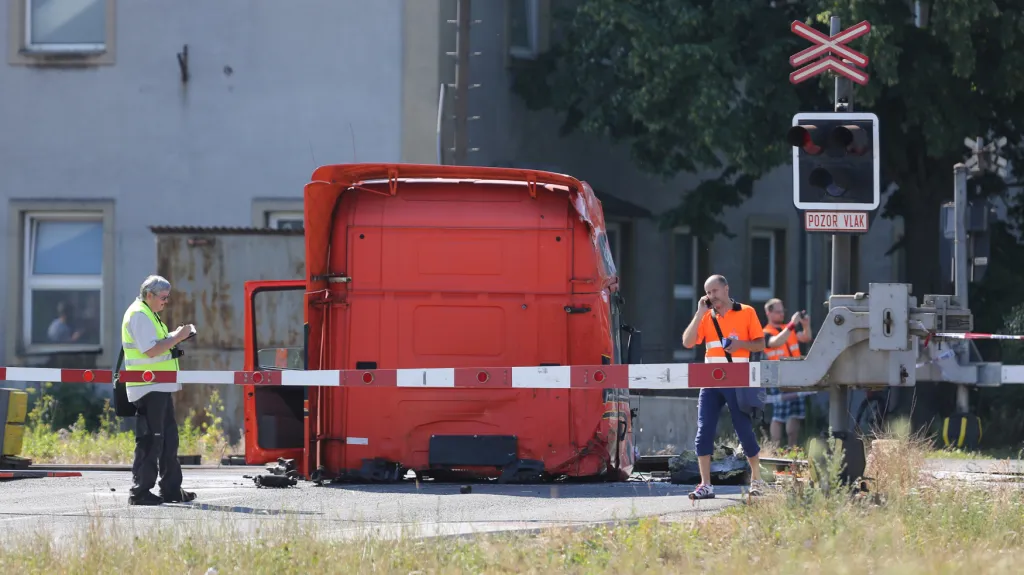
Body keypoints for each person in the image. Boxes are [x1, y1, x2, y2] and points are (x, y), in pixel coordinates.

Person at [681, 274, 769, 499]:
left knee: (744, 430)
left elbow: (760, 343)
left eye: (715, 291)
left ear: (726, 289)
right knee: (704, 431)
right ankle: (705, 484)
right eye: (708, 292)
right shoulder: (705, 316)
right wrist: (699, 313)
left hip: (737, 381)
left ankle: (757, 480)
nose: (712, 296)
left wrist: (740, 345)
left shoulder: (747, 312)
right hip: (710, 383)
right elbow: (687, 342)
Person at [122, 275, 197, 506]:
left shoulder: (148, 314)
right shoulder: (139, 314)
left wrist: (173, 336)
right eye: (163, 297)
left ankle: (171, 489)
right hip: (148, 387)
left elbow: (157, 345)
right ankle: (140, 492)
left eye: (167, 297)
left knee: (168, 440)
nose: (166, 301)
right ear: (149, 295)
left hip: (159, 386)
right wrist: (178, 337)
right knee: (151, 440)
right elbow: (151, 351)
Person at [762, 298, 814, 448]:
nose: (781, 314)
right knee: (779, 414)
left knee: (795, 413)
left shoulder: (787, 329)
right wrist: (792, 324)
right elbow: (776, 342)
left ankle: (792, 448)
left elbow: (806, 337)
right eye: (778, 311)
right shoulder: (765, 332)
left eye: (782, 311)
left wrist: (806, 325)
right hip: (777, 375)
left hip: (795, 374)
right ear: (768, 313)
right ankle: (775, 449)